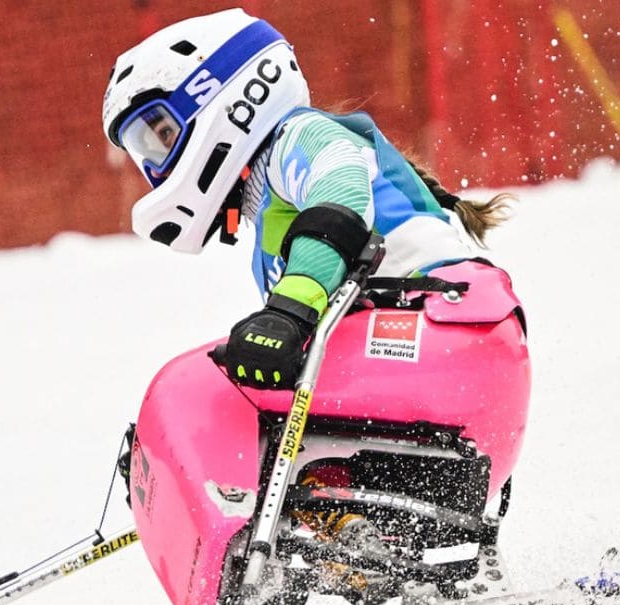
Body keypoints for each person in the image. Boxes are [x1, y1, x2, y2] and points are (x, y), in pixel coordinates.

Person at [102, 7, 513, 390]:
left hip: (443, 323)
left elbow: (343, 186)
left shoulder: (299, 136)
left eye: (162, 137)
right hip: (450, 341)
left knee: (191, 391)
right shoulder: (269, 212)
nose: (159, 169)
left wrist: (290, 310)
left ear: (221, 96)